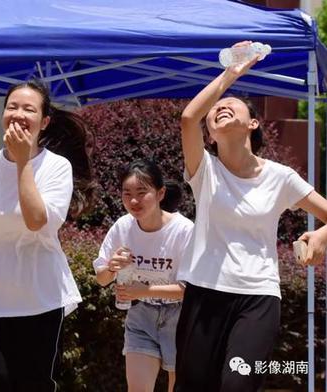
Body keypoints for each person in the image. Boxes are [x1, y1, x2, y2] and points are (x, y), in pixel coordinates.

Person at [175, 41, 327, 392]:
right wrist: (230, 74)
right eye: (216, 110)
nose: (222, 107)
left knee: (237, 385)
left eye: (232, 105)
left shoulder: (281, 177)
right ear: (209, 136)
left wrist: (321, 236)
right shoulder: (204, 171)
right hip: (204, 293)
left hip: (258, 297)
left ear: (253, 123)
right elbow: (188, 118)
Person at [0, 79, 95, 392]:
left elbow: (37, 221)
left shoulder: (57, 167)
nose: (18, 114)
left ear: (44, 122)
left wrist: (22, 162)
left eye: (28, 109)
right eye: (12, 107)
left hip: (38, 297)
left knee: (33, 384)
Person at [93, 160, 193, 392]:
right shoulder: (122, 227)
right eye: (127, 194)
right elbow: (101, 278)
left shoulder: (184, 230)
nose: (134, 201)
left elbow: (190, 290)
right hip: (140, 317)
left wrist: (143, 290)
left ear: (160, 193)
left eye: (141, 193)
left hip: (180, 319)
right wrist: (111, 268)